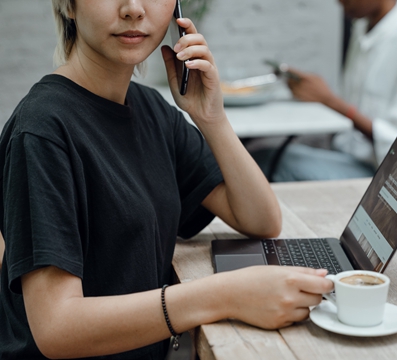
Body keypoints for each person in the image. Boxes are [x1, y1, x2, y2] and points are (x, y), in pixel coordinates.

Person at [0, 1, 334, 359]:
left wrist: (212, 119)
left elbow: (261, 218)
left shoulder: (150, 109)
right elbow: (57, 328)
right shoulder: (42, 131)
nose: (133, 8)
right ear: (68, 6)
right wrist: (224, 296)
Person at [253, 0, 397, 181]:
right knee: (262, 154)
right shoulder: (362, 30)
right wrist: (316, 94)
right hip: (353, 157)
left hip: (394, 177)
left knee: (270, 161)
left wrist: (329, 100)